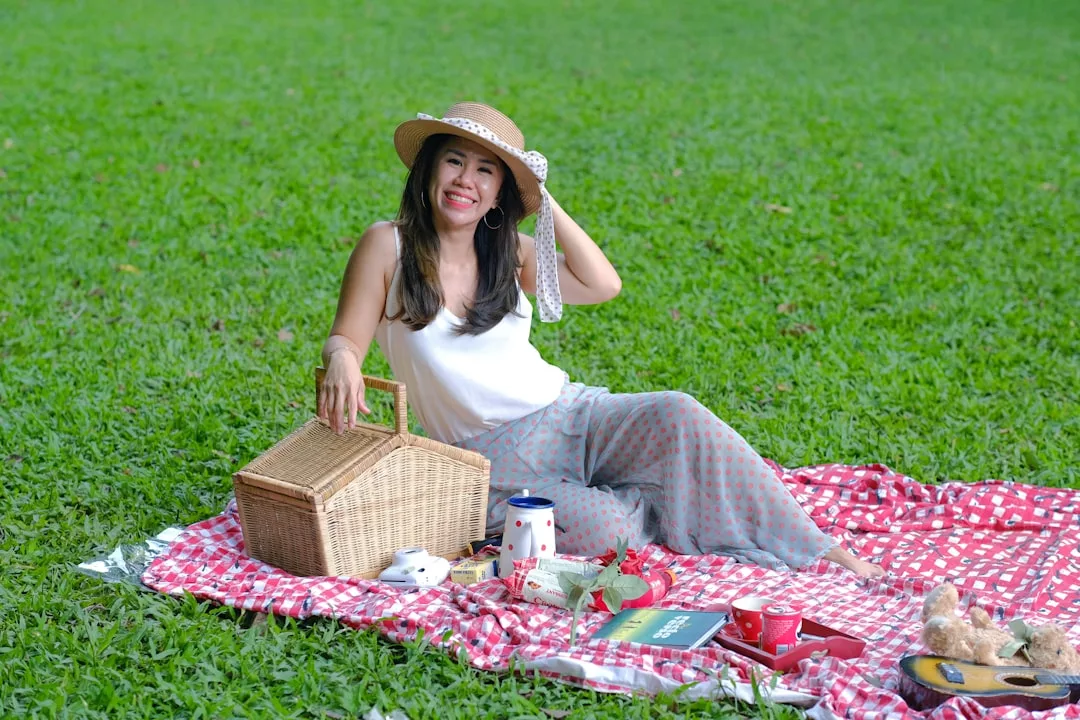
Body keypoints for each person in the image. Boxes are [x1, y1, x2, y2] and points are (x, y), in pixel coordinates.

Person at [317, 102, 884, 578]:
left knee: (679, 414)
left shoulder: (508, 251)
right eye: (454, 161)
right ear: (428, 171)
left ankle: (826, 552)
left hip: (570, 414)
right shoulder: (387, 246)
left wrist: (542, 197)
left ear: (499, 194)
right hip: (490, 457)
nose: (467, 180)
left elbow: (601, 283)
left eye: (487, 172)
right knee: (610, 533)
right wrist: (342, 359)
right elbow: (346, 338)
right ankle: (650, 498)